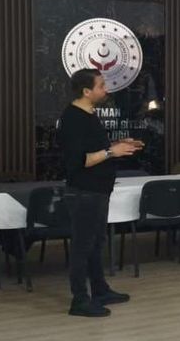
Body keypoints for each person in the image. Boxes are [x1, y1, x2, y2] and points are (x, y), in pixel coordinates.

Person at [59, 68, 142, 318]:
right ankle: (79, 300)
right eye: (101, 86)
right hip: (84, 192)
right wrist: (111, 152)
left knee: (96, 243)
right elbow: (80, 160)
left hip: (98, 190)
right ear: (87, 91)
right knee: (82, 247)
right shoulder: (73, 118)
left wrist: (119, 145)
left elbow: (96, 148)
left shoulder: (90, 114)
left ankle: (100, 290)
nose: (106, 90)